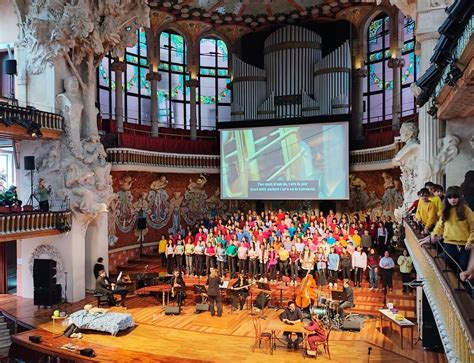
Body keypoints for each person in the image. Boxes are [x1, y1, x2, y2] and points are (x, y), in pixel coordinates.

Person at [425, 186, 474, 272]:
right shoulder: (445, 210)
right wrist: (433, 235)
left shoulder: (466, 210)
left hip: (464, 244)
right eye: (450, 197)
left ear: (460, 197)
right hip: (449, 243)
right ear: (447, 198)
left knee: (462, 265)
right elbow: (440, 225)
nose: (452, 200)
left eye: (455, 197)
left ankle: (462, 284)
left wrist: (470, 240)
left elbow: (473, 227)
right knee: (447, 264)